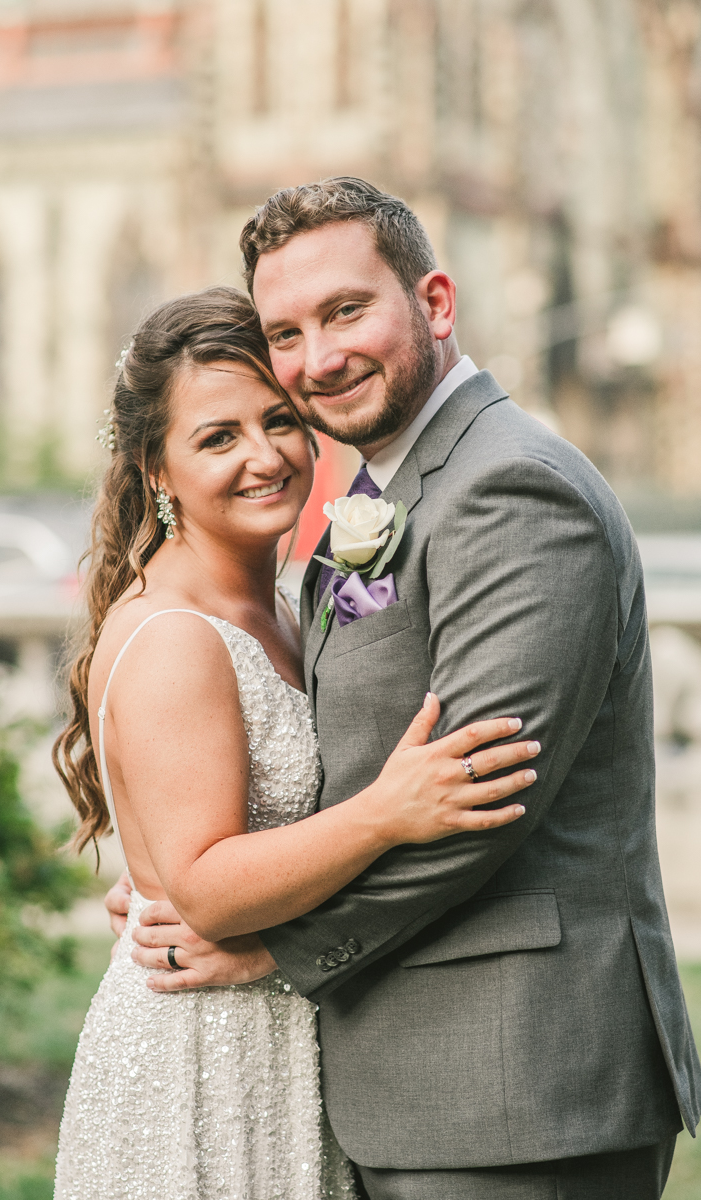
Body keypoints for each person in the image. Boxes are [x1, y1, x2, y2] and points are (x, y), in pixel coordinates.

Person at [108, 178, 701, 1200]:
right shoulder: (390, 490)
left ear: (432, 301)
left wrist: (263, 947)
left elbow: (479, 804)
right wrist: (186, 860)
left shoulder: (508, 487)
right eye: (286, 331)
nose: (317, 358)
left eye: (345, 311)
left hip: (516, 1084)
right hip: (407, 1077)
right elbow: (349, 762)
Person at [52, 285, 538, 1200]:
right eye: (217, 437)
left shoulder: (278, 606)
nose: (265, 456)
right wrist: (387, 814)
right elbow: (203, 887)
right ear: (155, 469)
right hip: (199, 1061)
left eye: (278, 420)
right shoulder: (176, 637)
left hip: (283, 1039)